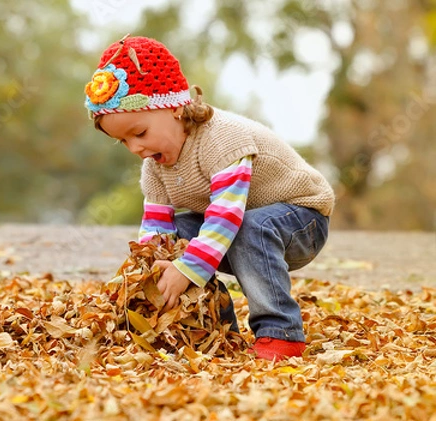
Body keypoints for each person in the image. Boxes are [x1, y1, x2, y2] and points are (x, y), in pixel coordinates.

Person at [83, 35, 335, 361]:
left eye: (140, 133)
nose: (136, 148)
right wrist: (153, 270)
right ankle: (219, 329)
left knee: (249, 227)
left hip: (302, 218)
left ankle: (280, 331)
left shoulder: (222, 139)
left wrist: (187, 269)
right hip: (244, 225)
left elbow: (226, 216)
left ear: (174, 107)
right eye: (124, 142)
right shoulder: (155, 167)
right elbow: (157, 231)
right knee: (180, 232)